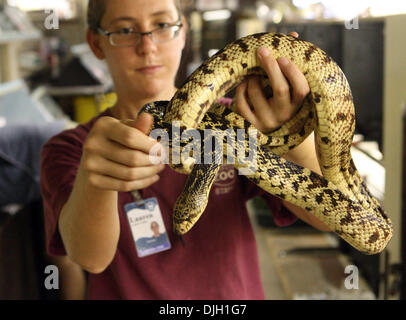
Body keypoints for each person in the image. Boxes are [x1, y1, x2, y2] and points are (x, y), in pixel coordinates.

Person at [40, 0, 331, 300]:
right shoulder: (71, 149)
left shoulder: (240, 117)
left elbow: (329, 219)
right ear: (96, 42)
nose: (147, 46)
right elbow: (90, 259)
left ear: (183, 32)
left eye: (162, 25)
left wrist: (292, 136)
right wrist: (94, 181)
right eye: (125, 30)